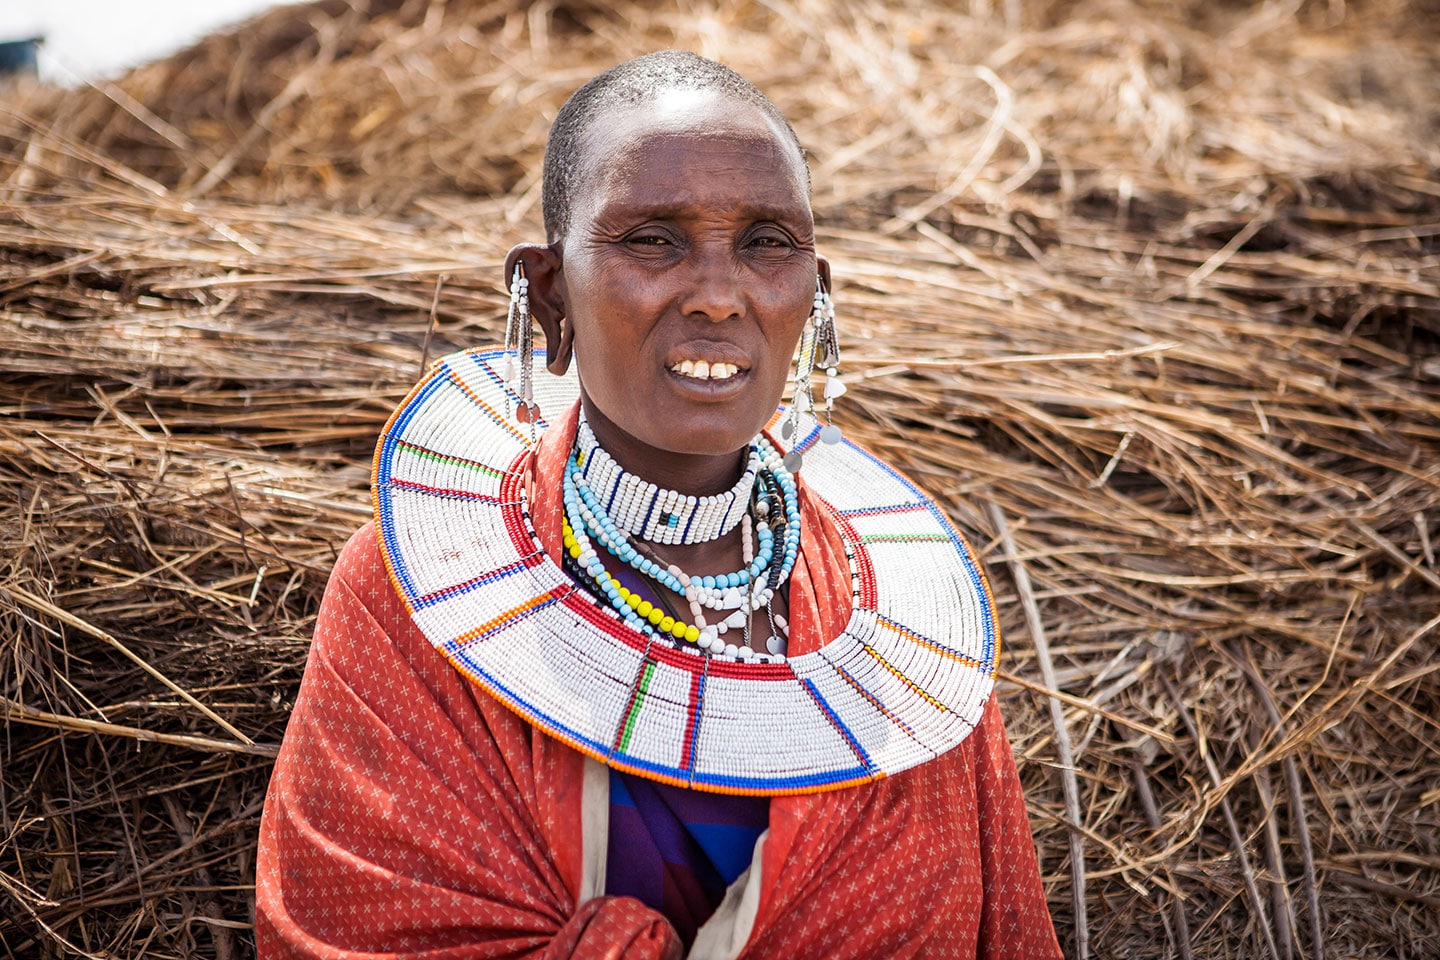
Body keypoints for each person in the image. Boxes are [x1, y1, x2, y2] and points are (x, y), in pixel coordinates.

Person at [256, 51, 1062, 959]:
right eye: (652, 240)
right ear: (551, 294)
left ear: (815, 295)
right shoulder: (412, 598)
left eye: (766, 242)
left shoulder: (906, 638)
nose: (720, 295)